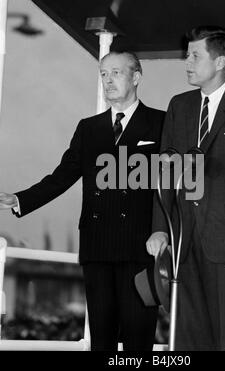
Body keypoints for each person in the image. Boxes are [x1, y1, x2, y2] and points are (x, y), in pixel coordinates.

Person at [0, 51, 165, 351]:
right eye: (103, 74)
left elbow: (170, 187)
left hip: (140, 249)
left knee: (137, 344)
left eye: (116, 72)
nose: (108, 80)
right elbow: (62, 176)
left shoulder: (161, 123)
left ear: (136, 77)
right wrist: (20, 199)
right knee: (101, 341)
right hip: (97, 248)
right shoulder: (89, 128)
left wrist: (162, 230)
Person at [146, 26, 225, 351]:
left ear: (219, 62)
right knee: (187, 338)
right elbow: (165, 171)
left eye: (194, 55)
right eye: (187, 55)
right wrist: (160, 229)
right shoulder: (179, 105)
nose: (186, 61)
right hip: (181, 244)